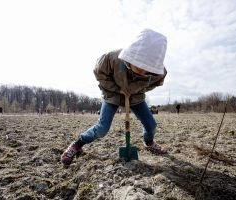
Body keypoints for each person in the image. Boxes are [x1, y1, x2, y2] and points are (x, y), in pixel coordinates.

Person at [61, 28, 168, 165]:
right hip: (112, 95)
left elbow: (155, 83)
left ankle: (149, 142)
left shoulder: (158, 72)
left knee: (151, 125)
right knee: (102, 128)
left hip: (136, 97)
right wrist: (117, 89)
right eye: (139, 65)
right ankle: (77, 144)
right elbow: (99, 75)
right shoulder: (111, 59)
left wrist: (136, 89)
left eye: (147, 68)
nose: (143, 70)